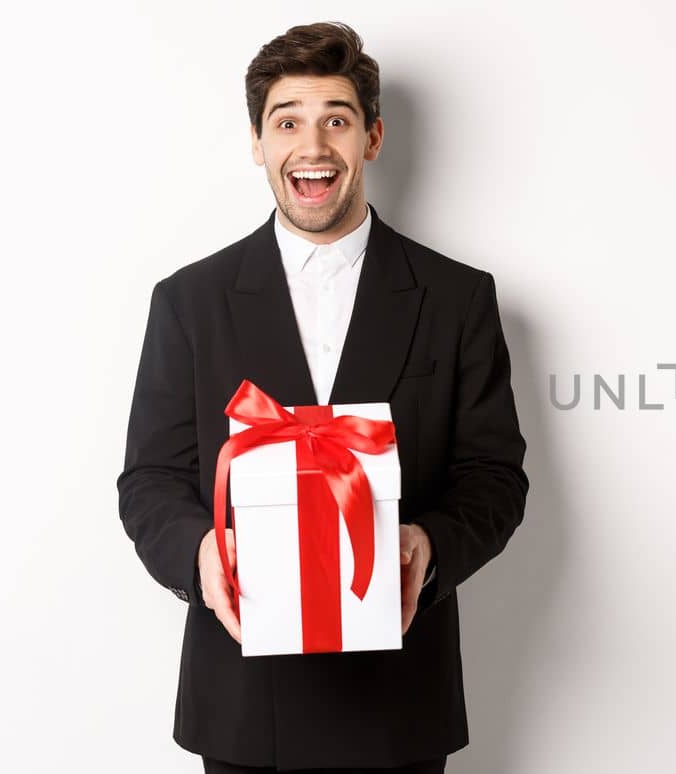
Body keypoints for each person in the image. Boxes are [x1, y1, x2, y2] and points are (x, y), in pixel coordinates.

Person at [116, 21, 530, 773]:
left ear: (371, 138)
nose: (312, 147)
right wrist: (202, 553)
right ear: (257, 142)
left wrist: (428, 546)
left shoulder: (457, 297)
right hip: (243, 704)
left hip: (398, 701)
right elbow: (148, 480)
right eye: (288, 122)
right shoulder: (189, 301)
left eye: (336, 120)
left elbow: (496, 479)